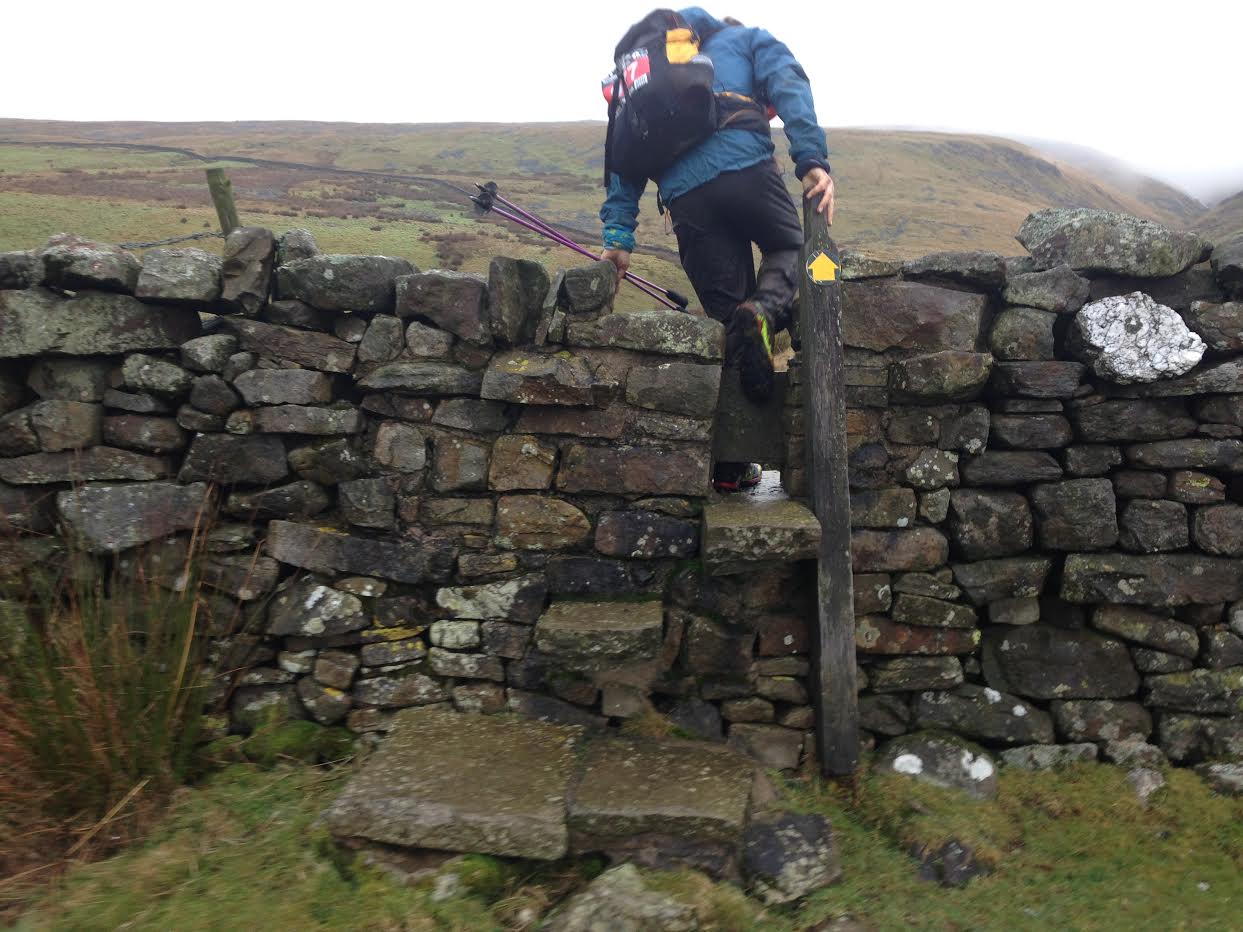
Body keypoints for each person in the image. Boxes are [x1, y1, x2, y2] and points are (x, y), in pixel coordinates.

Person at [598, 7, 835, 492]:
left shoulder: (645, 71)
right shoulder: (747, 39)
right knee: (791, 247)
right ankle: (763, 310)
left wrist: (618, 238)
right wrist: (811, 159)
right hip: (746, 170)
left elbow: (624, 153)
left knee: (730, 326)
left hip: (685, 201)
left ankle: (730, 471)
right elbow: (789, 83)